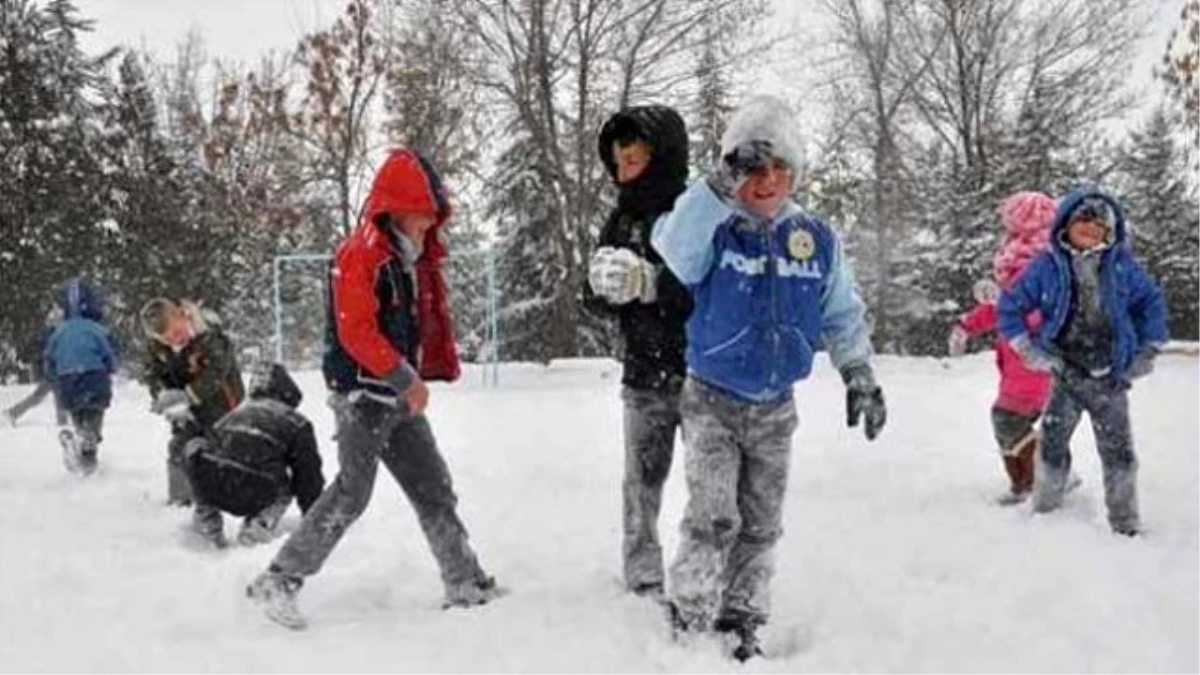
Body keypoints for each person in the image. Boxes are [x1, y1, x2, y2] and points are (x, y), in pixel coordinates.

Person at [650, 96, 886, 660]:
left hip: (776, 405)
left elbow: (842, 312)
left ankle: (743, 616)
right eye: (754, 169)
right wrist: (713, 187)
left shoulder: (815, 240)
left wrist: (859, 373)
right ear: (736, 173)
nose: (768, 181)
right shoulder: (714, 230)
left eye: (781, 169)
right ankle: (692, 608)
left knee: (761, 521)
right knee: (712, 514)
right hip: (712, 399)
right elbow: (673, 251)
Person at [247, 149, 498, 630]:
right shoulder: (359, 254)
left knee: (433, 487)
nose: (430, 226)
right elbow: (355, 331)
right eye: (425, 215)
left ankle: (464, 579)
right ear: (398, 207)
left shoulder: (404, 257)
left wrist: (415, 375)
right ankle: (279, 579)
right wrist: (406, 376)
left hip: (396, 399)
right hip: (362, 398)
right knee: (351, 494)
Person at [998, 188, 1168, 536]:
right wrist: (1027, 348)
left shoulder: (1121, 265)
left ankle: (1125, 523)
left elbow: (1151, 302)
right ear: (1066, 223)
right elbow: (1010, 305)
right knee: (1052, 442)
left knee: (1119, 452)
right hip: (1066, 371)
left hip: (1110, 377)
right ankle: (1045, 509)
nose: (1090, 229)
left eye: (1099, 224)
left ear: (1111, 230)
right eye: (1083, 221)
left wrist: (1148, 348)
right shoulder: (1046, 266)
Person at [584, 105, 691, 599]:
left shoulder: (694, 214)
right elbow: (597, 294)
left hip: (702, 375)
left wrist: (655, 286)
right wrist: (601, 286)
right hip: (644, 374)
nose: (624, 172)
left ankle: (704, 572)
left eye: (634, 160)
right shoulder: (621, 219)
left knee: (712, 485)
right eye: (618, 163)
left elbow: (711, 288)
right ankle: (643, 578)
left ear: (662, 156)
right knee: (641, 485)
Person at [948, 192, 1057, 505]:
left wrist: (1005, 306)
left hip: (1032, 364)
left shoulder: (1041, 266)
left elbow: (1040, 314)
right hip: (1024, 365)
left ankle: (1043, 478)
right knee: (1011, 420)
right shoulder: (1022, 262)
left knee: (1007, 419)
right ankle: (1030, 481)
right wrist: (967, 324)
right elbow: (999, 308)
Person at [182, 363, 325, 547]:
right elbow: (308, 477)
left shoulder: (232, 416)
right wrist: (314, 517)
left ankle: (208, 526)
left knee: (204, 460)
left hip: (215, 486)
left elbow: (208, 450)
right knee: (286, 486)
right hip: (257, 490)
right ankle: (256, 530)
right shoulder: (296, 422)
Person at [139, 298, 245, 507]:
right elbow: (153, 374)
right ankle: (181, 500)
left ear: (182, 315)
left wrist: (188, 395)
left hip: (222, 403)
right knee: (179, 447)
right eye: (166, 341)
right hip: (185, 409)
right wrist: (163, 395)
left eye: (176, 335)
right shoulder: (158, 347)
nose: (174, 342)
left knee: (220, 448)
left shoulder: (210, 335)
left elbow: (217, 371)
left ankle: (225, 499)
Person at [43, 278, 118, 475]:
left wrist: (53, 375)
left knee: (77, 411)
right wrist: (111, 368)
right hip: (94, 374)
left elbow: (49, 356)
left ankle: (80, 445)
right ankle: (89, 439)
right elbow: (107, 353)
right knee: (95, 411)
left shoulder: (59, 331)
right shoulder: (96, 329)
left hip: (67, 379)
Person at [4, 306, 68, 427]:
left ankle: (13, 412)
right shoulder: (54, 335)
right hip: (55, 372)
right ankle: (62, 422)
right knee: (56, 397)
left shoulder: (53, 334)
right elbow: (49, 353)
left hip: (54, 371)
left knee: (40, 397)